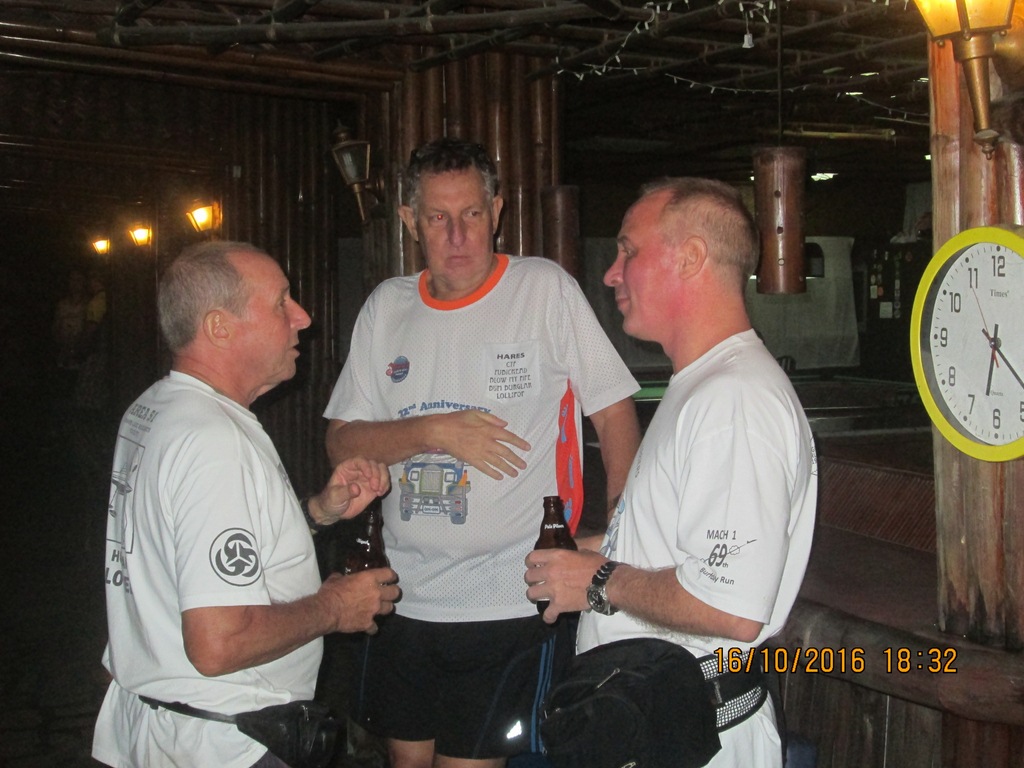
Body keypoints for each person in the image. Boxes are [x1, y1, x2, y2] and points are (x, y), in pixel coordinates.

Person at [323, 137, 641, 768]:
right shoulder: (387, 307)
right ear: (410, 220)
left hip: (509, 597)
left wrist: (622, 534)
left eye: (471, 213)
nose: (458, 235)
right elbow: (341, 439)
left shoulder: (542, 289)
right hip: (402, 595)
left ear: (496, 211)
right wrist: (436, 431)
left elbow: (614, 413)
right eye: (438, 217)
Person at [525, 178, 817, 768]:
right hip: (661, 730)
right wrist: (598, 553)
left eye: (628, 251)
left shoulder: (734, 400)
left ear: (690, 258)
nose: (612, 274)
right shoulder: (704, 386)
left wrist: (598, 580)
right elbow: (686, 551)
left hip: (698, 741)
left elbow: (730, 608)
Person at [91, 241, 400, 768]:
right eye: (281, 302)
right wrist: (335, 607)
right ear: (219, 327)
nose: (302, 317)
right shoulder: (212, 439)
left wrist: (318, 512)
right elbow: (218, 643)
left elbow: (190, 551)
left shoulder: (156, 408)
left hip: (163, 725)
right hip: (223, 742)